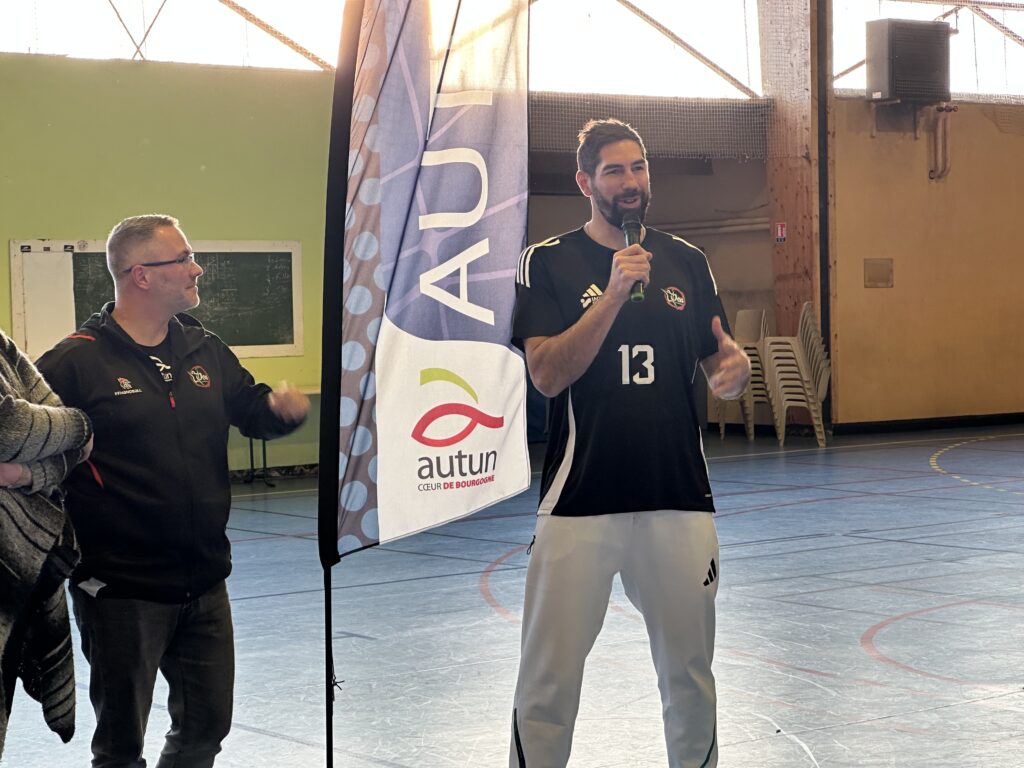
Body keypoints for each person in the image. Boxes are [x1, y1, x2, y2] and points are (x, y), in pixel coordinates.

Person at [509, 119, 750, 768]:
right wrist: (613, 295)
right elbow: (547, 374)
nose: (630, 181)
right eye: (614, 170)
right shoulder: (546, 262)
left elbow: (720, 362)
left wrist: (734, 373)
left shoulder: (687, 261)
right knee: (548, 683)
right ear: (585, 182)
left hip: (678, 499)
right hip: (580, 502)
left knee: (689, 675)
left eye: (638, 167)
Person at [37, 214, 310, 768]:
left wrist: (280, 412)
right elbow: (26, 444)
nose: (196, 268)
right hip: (120, 591)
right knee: (120, 747)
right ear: (140, 275)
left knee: (205, 731)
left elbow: (251, 409)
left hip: (205, 580)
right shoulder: (74, 362)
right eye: (183, 258)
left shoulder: (204, 348)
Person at [0, 328, 93, 758]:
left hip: (16, 574)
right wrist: (80, 425)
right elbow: (9, 426)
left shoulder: (3, 346)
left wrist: (24, 474)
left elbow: (73, 447)